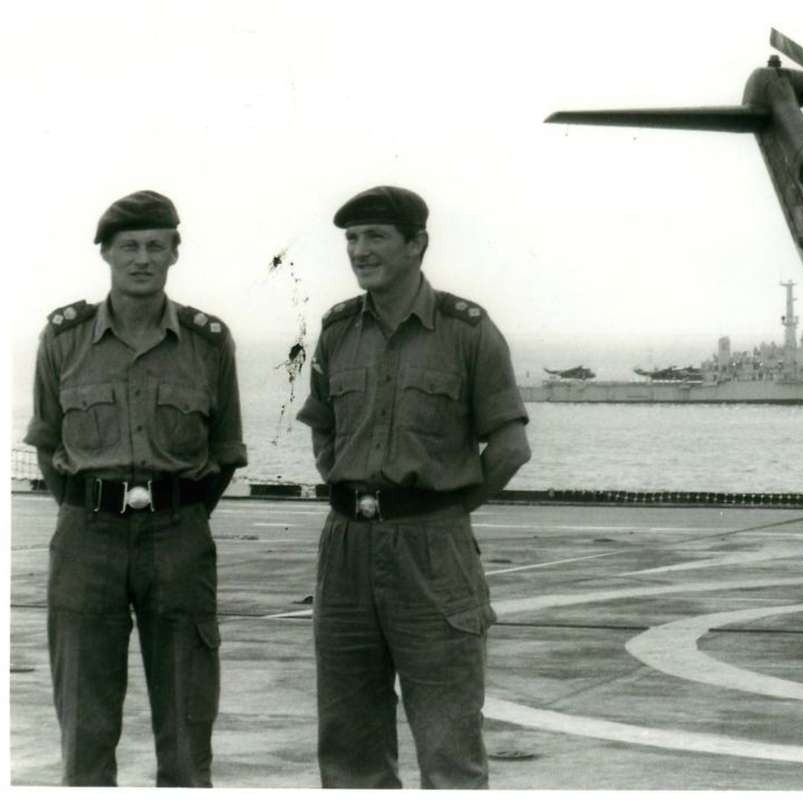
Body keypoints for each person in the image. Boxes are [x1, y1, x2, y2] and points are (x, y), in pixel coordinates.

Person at [297, 185, 531, 789]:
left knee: (449, 748)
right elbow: (323, 433)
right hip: (344, 552)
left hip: (433, 553)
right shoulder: (337, 330)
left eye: (375, 236)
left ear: (417, 244)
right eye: (351, 238)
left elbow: (509, 448)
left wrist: (445, 510)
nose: (359, 250)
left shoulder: (468, 331)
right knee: (347, 748)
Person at [24, 190, 247, 786]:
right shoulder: (64, 338)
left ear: (175, 252)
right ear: (106, 255)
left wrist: (178, 511)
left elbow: (225, 453)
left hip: (178, 538)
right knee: (85, 720)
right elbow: (48, 444)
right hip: (85, 539)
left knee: (186, 722)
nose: (142, 258)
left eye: (156, 245)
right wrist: (89, 508)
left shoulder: (208, 342)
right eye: (129, 247)